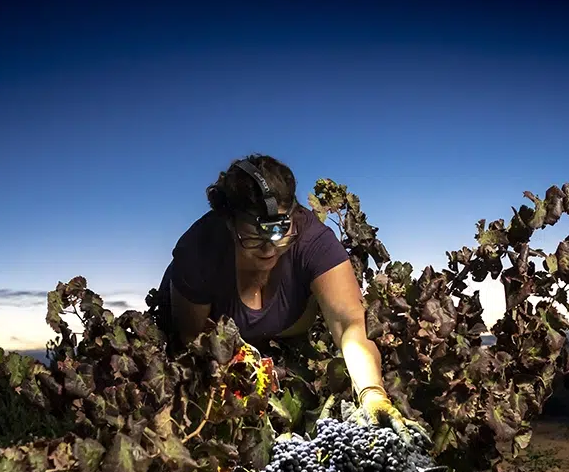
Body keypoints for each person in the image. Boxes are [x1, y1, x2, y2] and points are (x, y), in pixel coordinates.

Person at [153, 153, 427, 442]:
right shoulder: (198, 252)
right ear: (229, 222)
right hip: (207, 340)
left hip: (280, 343)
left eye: (279, 230)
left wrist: (372, 392)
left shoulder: (312, 241)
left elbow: (350, 323)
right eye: (254, 235)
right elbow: (194, 347)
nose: (270, 247)